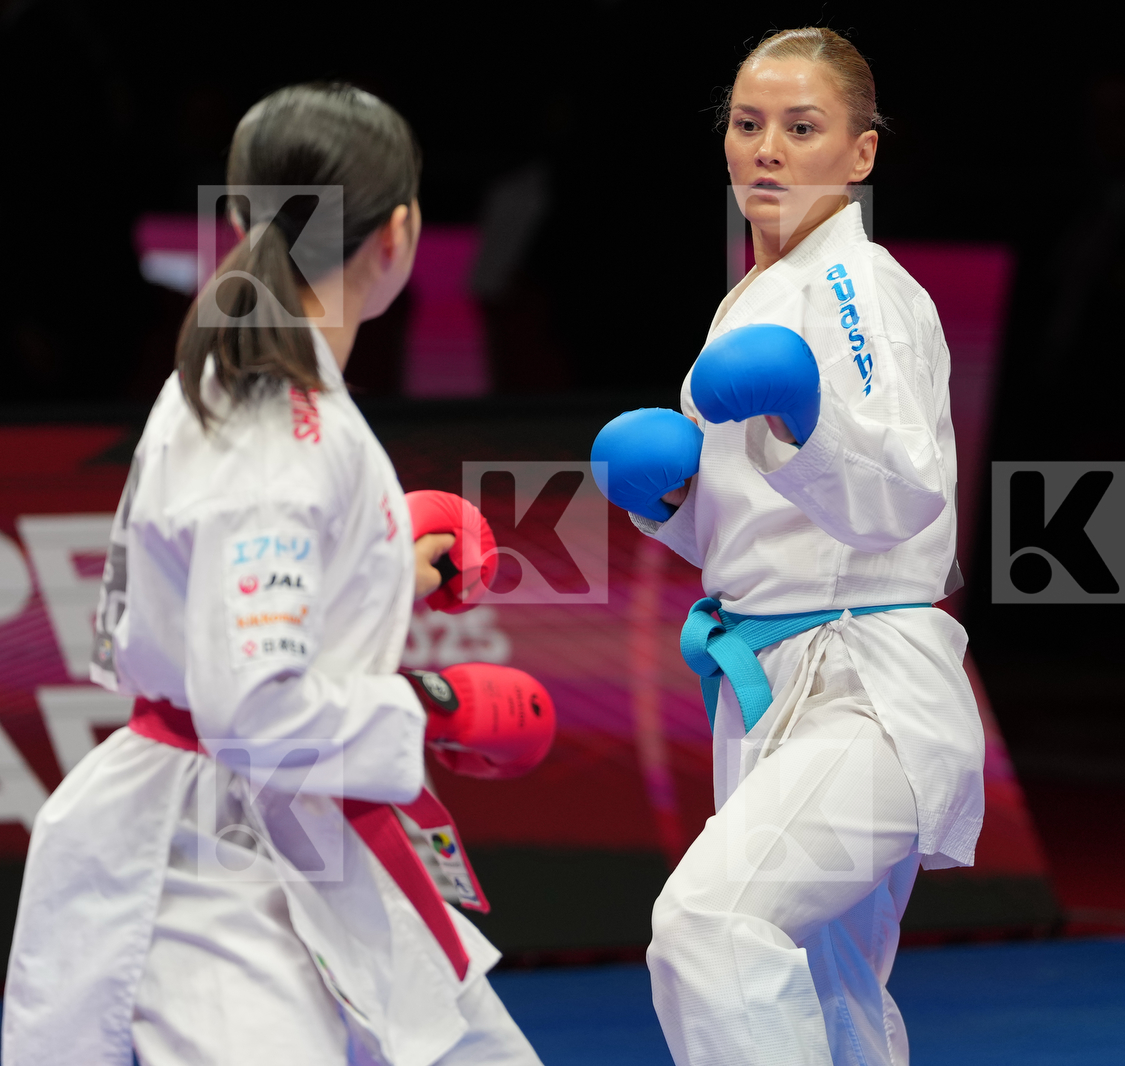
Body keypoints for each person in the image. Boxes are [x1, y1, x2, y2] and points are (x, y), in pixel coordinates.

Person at [2, 84, 543, 1065]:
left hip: (300, 821)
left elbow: (226, 590)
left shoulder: (263, 381)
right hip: (206, 851)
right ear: (400, 235)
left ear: (242, 219)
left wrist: (381, 567)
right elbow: (256, 705)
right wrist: (434, 703)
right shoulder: (273, 426)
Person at [591, 28, 983, 1066]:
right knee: (829, 993)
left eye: (801, 128)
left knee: (711, 927)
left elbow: (906, 498)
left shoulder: (857, 287)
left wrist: (810, 418)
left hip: (866, 687)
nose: (767, 148)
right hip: (770, 677)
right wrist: (670, 500)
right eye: (748, 123)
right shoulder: (756, 292)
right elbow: (760, 537)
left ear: (860, 154)